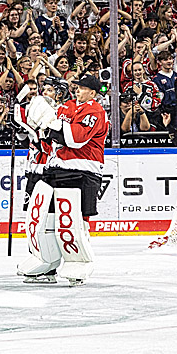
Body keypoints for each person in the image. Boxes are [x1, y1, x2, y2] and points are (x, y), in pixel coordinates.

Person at [21, 75, 108, 286]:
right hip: (55, 168)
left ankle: (78, 263)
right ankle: (46, 263)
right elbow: (48, 134)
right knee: (44, 219)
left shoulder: (95, 111)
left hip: (81, 172)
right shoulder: (68, 107)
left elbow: (76, 139)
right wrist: (31, 124)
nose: (78, 91)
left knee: (72, 222)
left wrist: (50, 122)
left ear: (93, 93)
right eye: (77, 88)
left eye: (83, 88)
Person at [13, 77, 69, 282]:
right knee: (32, 216)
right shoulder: (35, 110)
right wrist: (22, 128)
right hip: (33, 171)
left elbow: (50, 139)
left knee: (48, 219)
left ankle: (49, 265)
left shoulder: (61, 114)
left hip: (50, 172)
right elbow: (22, 130)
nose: (45, 93)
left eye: (50, 90)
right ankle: (37, 258)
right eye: (43, 89)